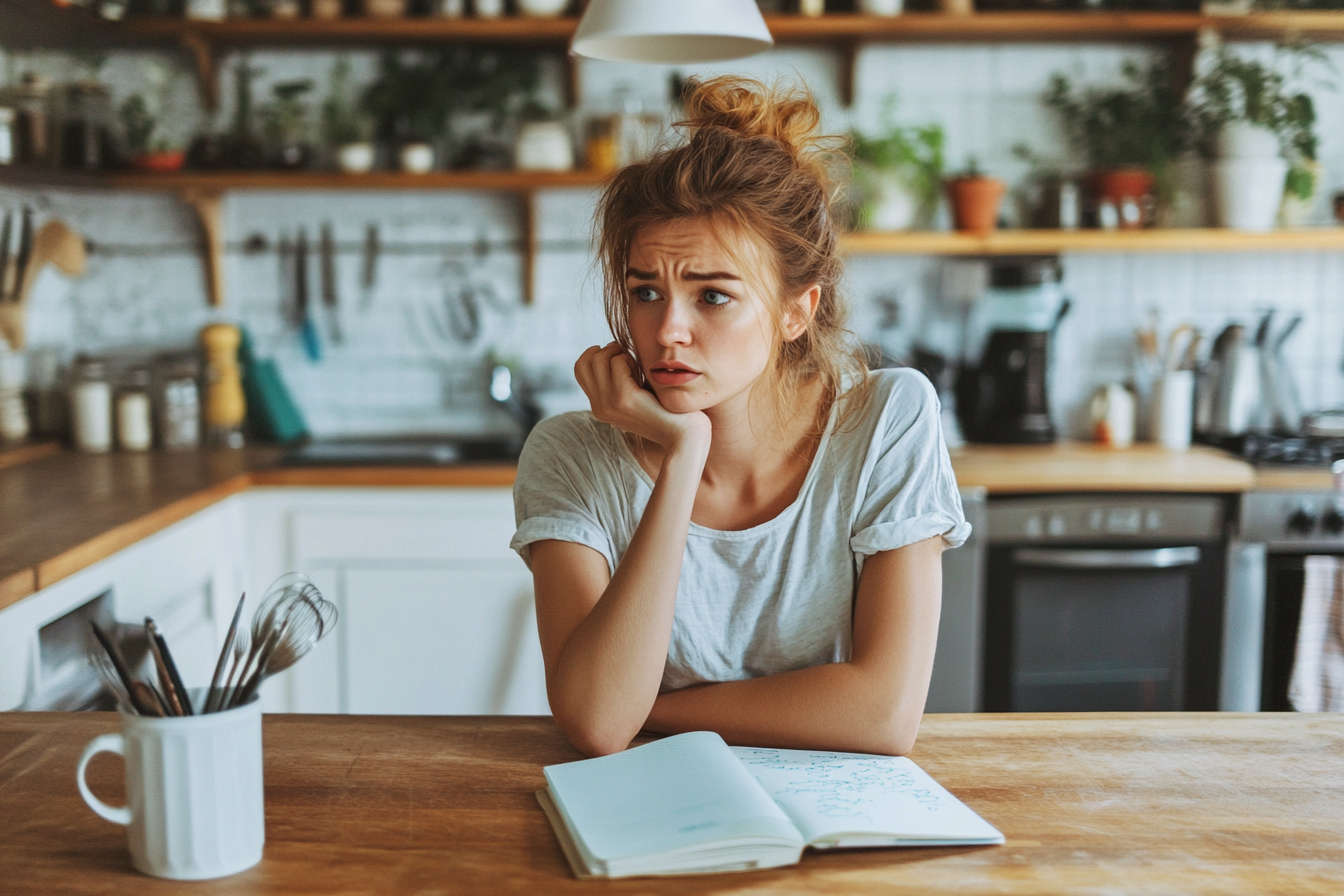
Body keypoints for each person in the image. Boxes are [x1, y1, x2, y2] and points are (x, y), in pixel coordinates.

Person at [511, 76, 968, 758]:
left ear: (796, 310)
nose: (667, 331)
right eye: (644, 291)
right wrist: (684, 451)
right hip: (653, 811)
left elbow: (883, 717)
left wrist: (650, 710)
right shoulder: (569, 454)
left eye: (713, 297)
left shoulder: (888, 420)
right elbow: (599, 728)